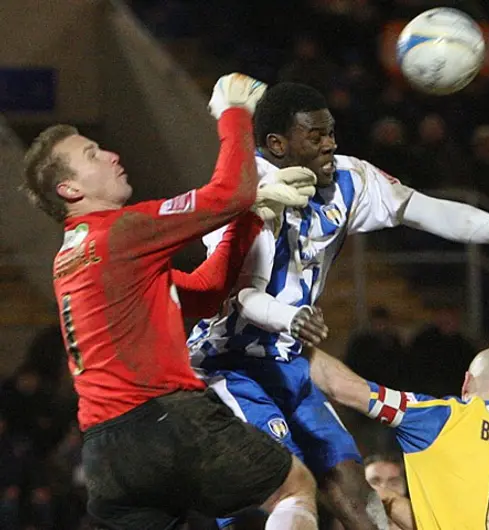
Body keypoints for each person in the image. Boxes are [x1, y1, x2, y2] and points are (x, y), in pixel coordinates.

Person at [188, 82, 489, 530]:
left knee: (354, 493)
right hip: (229, 363)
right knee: (283, 488)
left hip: (288, 360)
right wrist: (290, 317)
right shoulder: (242, 192)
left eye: (331, 132)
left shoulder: (348, 179)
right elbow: (237, 295)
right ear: (278, 145)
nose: (330, 144)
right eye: (315, 135)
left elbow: (431, 211)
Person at [21, 73, 320, 530]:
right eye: (92, 155)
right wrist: (233, 113)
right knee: (294, 486)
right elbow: (229, 192)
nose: (112, 154)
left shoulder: (74, 257)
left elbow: (204, 293)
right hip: (167, 417)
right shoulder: (120, 229)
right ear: (70, 190)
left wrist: (252, 219)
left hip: (108, 453)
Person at [308, 346, 489, 530]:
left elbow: (340, 386)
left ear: (466, 382)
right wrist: (389, 500)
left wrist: (286, 336)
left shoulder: (445, 418)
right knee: (385, 497)